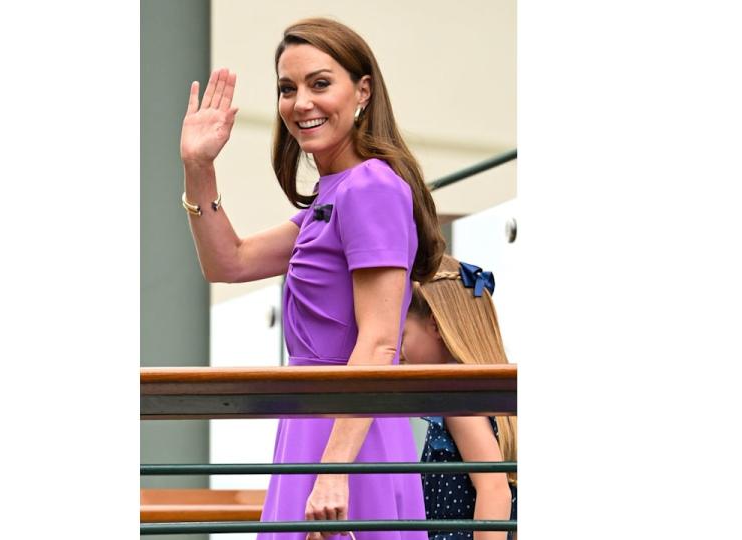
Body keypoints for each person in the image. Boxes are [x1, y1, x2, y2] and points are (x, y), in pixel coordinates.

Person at [178, 17, 445, 540]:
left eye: (320, 84)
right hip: (314, 424)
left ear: (362, 91)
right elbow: (227, 262)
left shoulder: (369, 187)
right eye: (287, 88)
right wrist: (197, 166)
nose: (301, 103)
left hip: (347, 434)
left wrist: (335, 471)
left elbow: (379, 340)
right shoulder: (334, 195)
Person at [400, 255, 518, 540]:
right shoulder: (486, 397)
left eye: (402, 334)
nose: (398, 352)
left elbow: (494, 490)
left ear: (436, 326)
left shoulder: (458, 401)